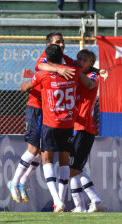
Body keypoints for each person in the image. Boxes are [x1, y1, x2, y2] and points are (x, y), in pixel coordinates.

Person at [20, 44, 95, 212]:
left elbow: (25, 88)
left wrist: (25, 82)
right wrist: (94, 71)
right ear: (62, 57)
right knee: (64, 162)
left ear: (47, 58)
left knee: (46, 160)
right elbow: (90, 84)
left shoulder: (42, 75)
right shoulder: (74, 72)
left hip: (51, 123)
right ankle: (61, 199)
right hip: (68, 124)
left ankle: (57, 201)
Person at [8, 33, 75, 204]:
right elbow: (40, 67)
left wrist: (96, 71)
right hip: (37, 108)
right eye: (57, 42)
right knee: (34, 149)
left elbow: (79, 68)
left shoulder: (65, 59)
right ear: (48, 45)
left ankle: (22, 182)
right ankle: (14, 182)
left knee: (42, 151)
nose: (61, 44)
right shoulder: (45, 59)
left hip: (51, 112)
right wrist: (57, 69)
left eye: (63, 41)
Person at [69, 49, 107, 213]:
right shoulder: (79, 76)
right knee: (73, 169)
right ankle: (83, 206)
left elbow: (86, 80)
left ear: (91, 63)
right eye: (78, 58)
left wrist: (77, 69)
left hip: (84, 128)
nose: (80, 61)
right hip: (74, 126)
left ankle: (93, 201)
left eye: (84, 60)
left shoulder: (92, 77)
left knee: (73, 169)